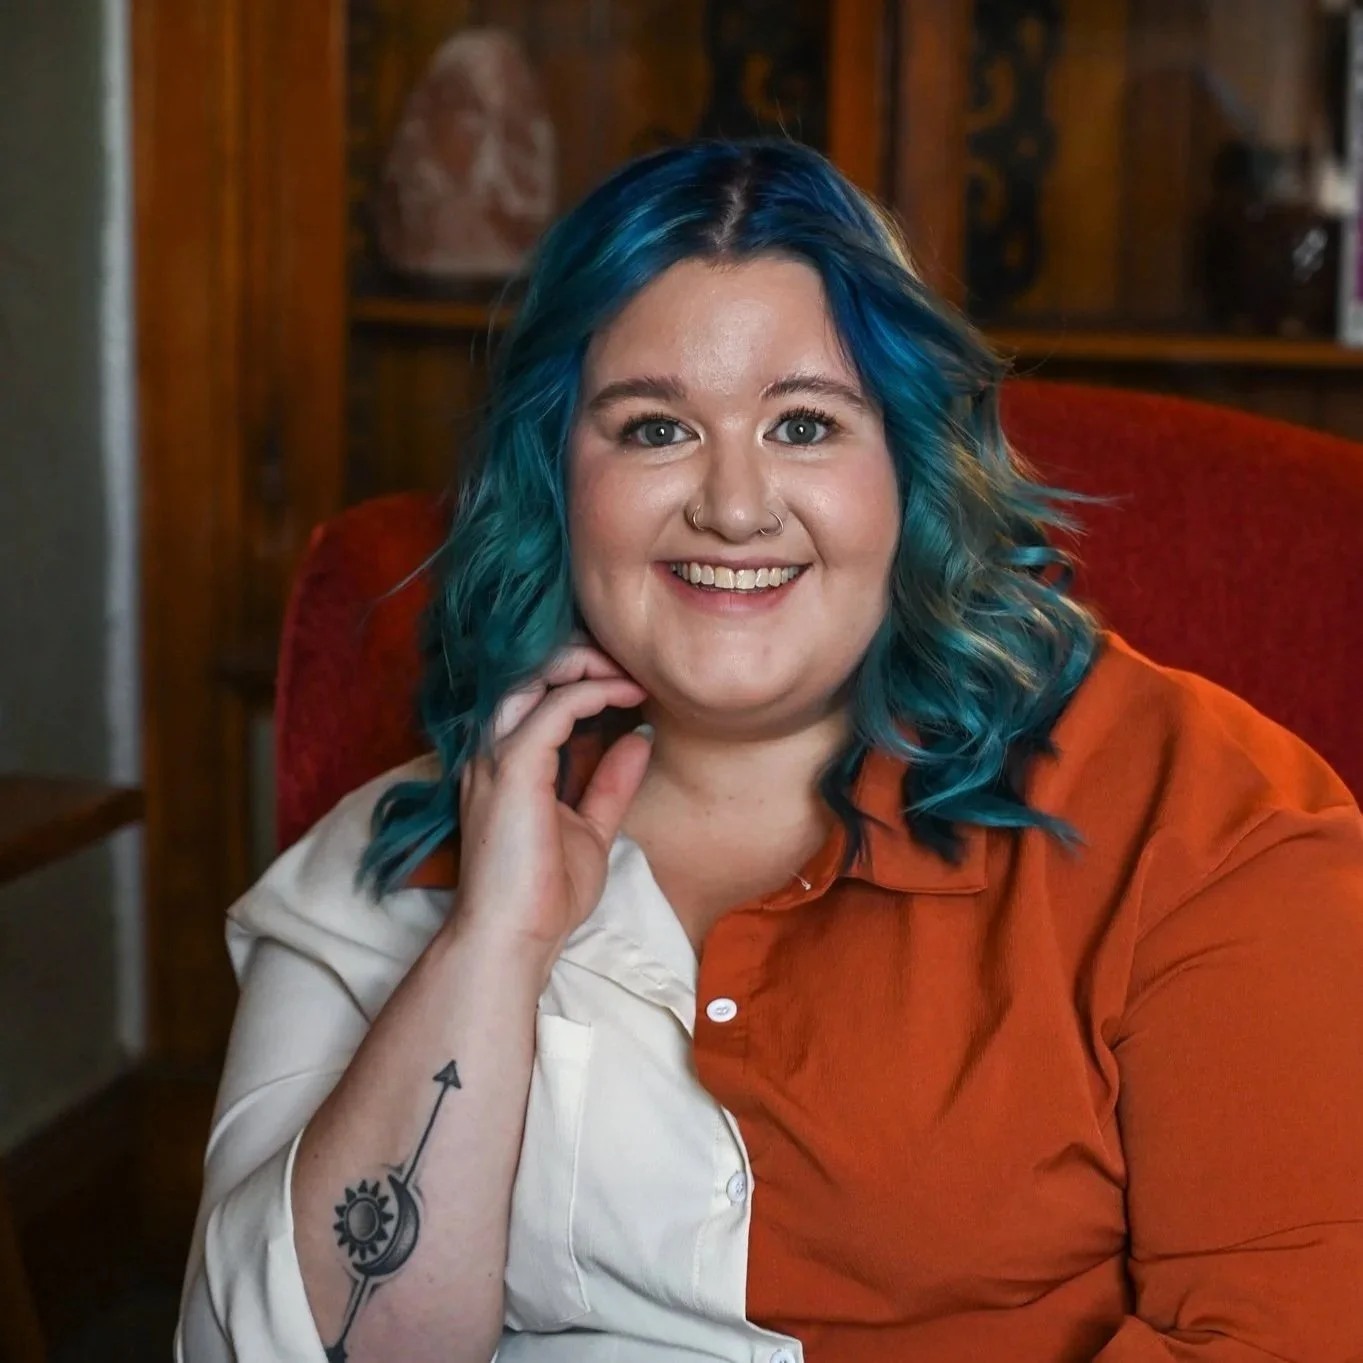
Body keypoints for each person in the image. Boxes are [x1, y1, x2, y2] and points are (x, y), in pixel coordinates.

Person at [175, 138, 1363, 1363]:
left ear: (911, 467)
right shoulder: (395, 849)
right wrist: (493, 944)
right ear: (556, 478)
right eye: (653, 429)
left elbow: (1292, 1340)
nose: (734, 507)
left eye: (803, 424)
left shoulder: (1197, 815)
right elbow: (267, 1349)